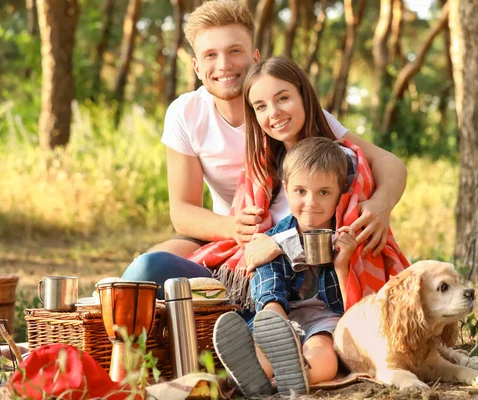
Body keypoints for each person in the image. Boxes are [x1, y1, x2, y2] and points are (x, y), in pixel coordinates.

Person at [122, 0, 408, 294]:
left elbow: (388, 163)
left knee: (180, 280)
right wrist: (233, 227)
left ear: (254, 56)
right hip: (226, 231)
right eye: (210, 55)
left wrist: (379, 206)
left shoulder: (284, 114)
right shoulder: (187, 113)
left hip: (291, 233)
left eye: (235, 50)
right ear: (196, 66)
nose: (224, 65)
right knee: (145, 269)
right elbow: (182, 211)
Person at [212, 137, 358, 397]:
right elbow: (266, 275)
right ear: (287, 189)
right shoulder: (277, 238)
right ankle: (254, 372)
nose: (311, 203)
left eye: (323, 192)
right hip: (283, 318)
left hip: (325, 320)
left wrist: (342, 265)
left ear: (340, 193)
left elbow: (353, 308)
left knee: (323, 353)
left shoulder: (343, 237)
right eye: (301, 191)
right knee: (264, 344)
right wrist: (273, 309)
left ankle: (298, 375)